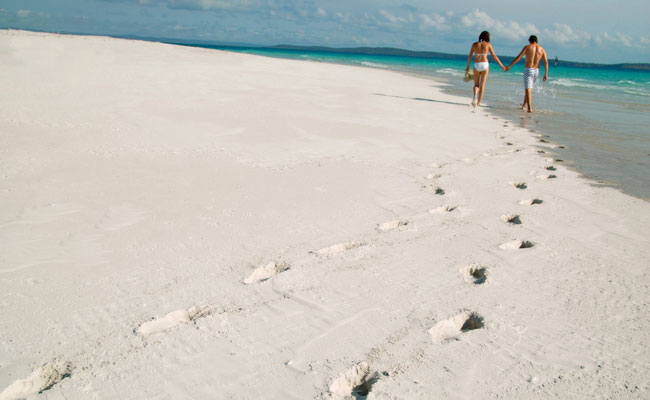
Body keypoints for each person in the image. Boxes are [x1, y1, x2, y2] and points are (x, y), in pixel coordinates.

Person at [506, 35, 549, 113]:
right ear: (536, 41)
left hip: (529, 69)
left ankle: (529, 108)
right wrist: (546, 73)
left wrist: (510, 66)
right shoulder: (542, 49)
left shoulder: (528, 47)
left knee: (528, 89)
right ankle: (524, 106)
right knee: (529, 88)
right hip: (537, 71)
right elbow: (546, 62)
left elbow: (519, 57)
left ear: (529, 40)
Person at [465, 31, 507, 107]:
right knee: (482, 85)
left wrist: (467, 66)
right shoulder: (488, 45)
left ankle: (475, 96)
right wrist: (502, 65)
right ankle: (478, 103)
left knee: (476, 84)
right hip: (485, 64)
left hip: (477, 64)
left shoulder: (474, 45)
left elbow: (470, 56)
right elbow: (494, 56)